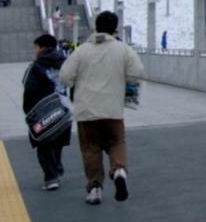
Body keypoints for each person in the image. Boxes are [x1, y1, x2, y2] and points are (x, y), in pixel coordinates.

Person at [60, 11, 144, 205]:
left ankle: (95, 188)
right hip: (112, 110)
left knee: (91, 149)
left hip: (86, 112)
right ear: (115, 29)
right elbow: (137, 72)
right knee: (116, 142)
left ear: (95, 27)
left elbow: (65, 76)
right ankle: (119, 170)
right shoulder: (123, 49)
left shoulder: (82, 50)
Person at [23, 34, 72, 190]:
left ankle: (51, 178)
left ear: (42, 47)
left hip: (44, 111)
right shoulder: (65, 62)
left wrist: (29, 110)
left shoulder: (36, 65)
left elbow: (29, 88)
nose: (35, 50)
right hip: (63, 109)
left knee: (44, 143)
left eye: (36, 47)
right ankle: (56, 168)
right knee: (57, 142)